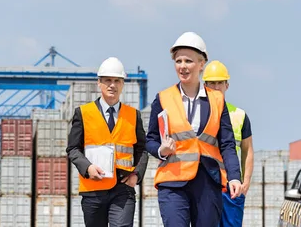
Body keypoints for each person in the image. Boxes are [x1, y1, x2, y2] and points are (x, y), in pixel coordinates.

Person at [145, 32, 243, 227]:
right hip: (172, 182)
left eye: (188, 61)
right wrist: (160, 150)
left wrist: (234, 177)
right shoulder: (163, 98)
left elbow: (227, 144)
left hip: (208, 181)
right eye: (178, 61)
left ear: (201, 64)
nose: (182, 66)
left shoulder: (217, 100)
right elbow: (151, 139)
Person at [67, 57, 148, 227]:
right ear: (99, 83)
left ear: (123, 84)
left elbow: (142, 149)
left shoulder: (134, 115)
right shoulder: (83, 113)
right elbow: (73, 149)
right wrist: (87, 167)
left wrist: (137, 174)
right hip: (93, 189)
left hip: (123, 188)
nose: (112, 85)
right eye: (108, 80)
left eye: (117, 80)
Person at [203, 60, 254, 227]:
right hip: (205, 186)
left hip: (232, 188)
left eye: (220, 83)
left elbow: (248, 151)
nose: (216, 87)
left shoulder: (240, 116)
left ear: (227, 85)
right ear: (204, 85)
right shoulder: (197, 114)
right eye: (212, 83)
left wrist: (245, 182)